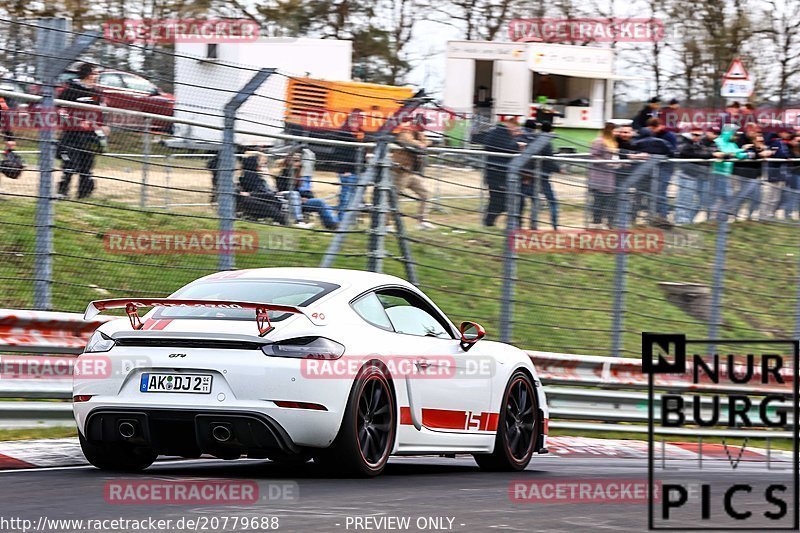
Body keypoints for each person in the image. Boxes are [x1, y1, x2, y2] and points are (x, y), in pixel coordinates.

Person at [57, 62, 105, 199]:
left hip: (89, 135)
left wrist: (101, 125)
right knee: (70, 164)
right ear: (88, 74)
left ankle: (83, 195)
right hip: (72, 134)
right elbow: (60, 109)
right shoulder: (71, 89)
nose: (97, 76)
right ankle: (62, 192)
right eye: (96, 73)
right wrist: (76, 122)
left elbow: (101, 112)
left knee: (87, 166)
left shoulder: (96, 93)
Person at [391, 115, 433, 229]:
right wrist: (422, 144)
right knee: (394, 198)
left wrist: (424, 142)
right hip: (401, 170)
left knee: (425, 193)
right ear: (417, 122)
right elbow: (408, 141)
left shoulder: (419, 133)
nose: (425, 126)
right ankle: (386, 225)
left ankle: (422, 221)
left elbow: (424, 142)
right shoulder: (406, 130)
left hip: (411, 172)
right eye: (424, 123)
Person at [482, 115, 521, 227]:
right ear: (511, 126)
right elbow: (508, 148)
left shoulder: (498, 133)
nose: (516, 132)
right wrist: (518, 144)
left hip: (497, 173)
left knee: (498, 200)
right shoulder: (499, 135)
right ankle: (489, 222)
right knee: (498, 200)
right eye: (516, 129)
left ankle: (489, 222)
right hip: (496, 173)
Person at [520, 122, 559, 230]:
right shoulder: (546, 142)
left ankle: (533, 224)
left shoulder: (533, 139)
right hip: (542, 177)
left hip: (531, 176)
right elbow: (550, 161)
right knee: (552, 202)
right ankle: (555, 226)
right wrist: (558, 169)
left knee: (535, 201)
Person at [633, 126, 674, 226]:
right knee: (658, 195)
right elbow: (672, 153)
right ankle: (660, 217)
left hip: (642, 174)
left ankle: (633, 218)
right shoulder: (662, 142)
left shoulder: (636, 143)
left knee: (639, 196)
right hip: (659, 172)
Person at [329, 109, 366, 219]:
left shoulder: (360, 133)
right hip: (347, 171)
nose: (362, 120)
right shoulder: (343, 133)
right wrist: (344, 170)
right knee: (346, 196)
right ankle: (341, 220)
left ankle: (349, 220)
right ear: (354, 118)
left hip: (359, 170)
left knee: (355, 196)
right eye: (361, 118)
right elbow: (339, 153)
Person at [674, 127, 714, 224]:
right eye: (695, 135)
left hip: (699, 175)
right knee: (684, 199)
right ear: (689, 134)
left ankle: (689, 221)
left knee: (700, 201)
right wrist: (711, 155)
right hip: (687, 174)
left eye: (699, 135)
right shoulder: (684, 143)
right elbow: (689, 153)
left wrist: (709, 154)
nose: (697, 137)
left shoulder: (699, 144)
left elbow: (703, 153)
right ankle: (681, 222)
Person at [729, 131, 772, 220]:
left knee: (756, 197)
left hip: (755, 176)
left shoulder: (763, 148)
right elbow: (748, 155)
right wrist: (759, 154)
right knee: (741, 195)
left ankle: (750, 217)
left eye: (761, 140)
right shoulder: (748, 146)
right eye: (758, 140)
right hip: (742, 175)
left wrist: (762, 151)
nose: (760, 141)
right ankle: (732, 215)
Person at [236, 152, 286, 224]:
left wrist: (265, 175)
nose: (262, 166)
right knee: (271, 204)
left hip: (263, 195)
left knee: (273, 200)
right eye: (260, 163)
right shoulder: (248, 175)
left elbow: (270, 188)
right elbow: (259, 190)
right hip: (254, 197)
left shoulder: (257, 174)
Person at [588, 122, 620, 227]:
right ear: (609, 130)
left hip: (609, 175)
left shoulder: (613, 142)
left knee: (608, 199)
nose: (617, 133)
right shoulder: (598, 142)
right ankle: (596, 222)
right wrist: (607, 162)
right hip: (599, 175)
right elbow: (593, 157)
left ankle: (607, 222)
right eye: (615, 131)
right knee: (599, 200)